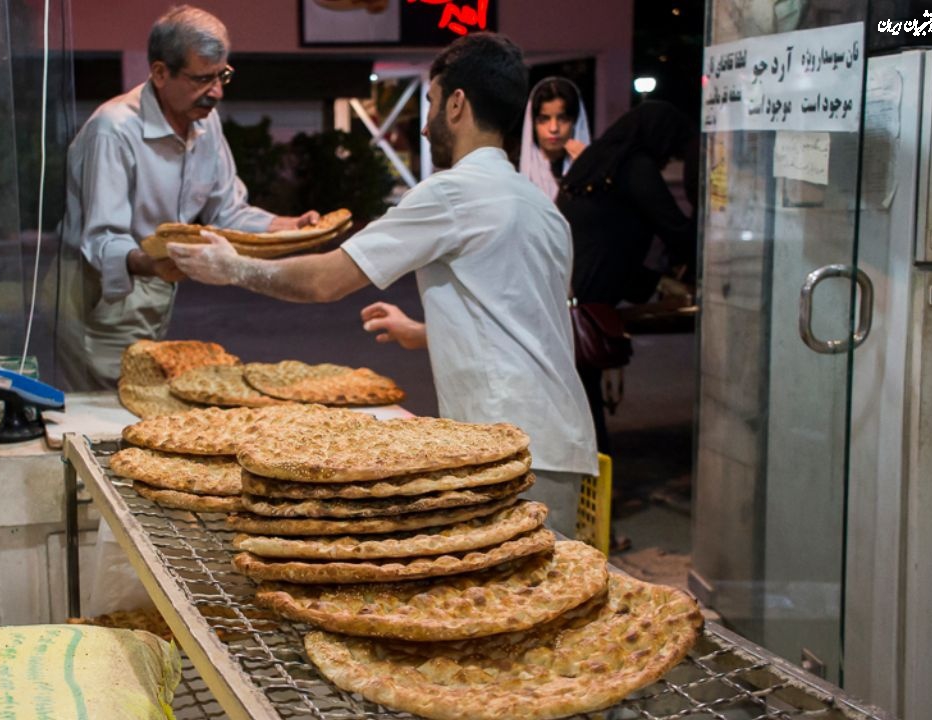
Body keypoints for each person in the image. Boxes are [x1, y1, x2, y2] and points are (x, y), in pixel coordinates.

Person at [167, 32, 598, 538]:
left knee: (501, 603)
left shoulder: (455, 192)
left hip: (505, 446)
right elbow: (523, 315)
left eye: (432, 104)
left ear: (457, 104)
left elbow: (327, 280)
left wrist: (233, 267)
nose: (423, 124)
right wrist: (424, 330)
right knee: (545, 601)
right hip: (560, 443)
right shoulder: (539, 206)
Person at [58, 4, 319, 389]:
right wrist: (155, 263)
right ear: (160, 73)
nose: (215, 93)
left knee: (144, 401)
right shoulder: (114, 130)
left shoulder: (204, 121)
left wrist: (288, 227)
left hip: (157, 281)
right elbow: (101, 239)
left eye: (222, 76)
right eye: (202, 80)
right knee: (109, 410)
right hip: (103, 293)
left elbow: (227, 210)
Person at [552, 101, 697, 455]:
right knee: (586, 400)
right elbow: (675, 228)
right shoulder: (635, 167)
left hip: (565, 289)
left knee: (577, 397)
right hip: (588, 299)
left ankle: (585, 476)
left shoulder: (593, 162)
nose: (668, 160)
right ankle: (592, 481)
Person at [517, 76, 590, 201]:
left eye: (562, 119)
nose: (553, 128)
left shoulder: (593, 170)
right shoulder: (514, 170)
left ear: (575, 122)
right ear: (532, 124)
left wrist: (585, 169)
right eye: (544, 119)